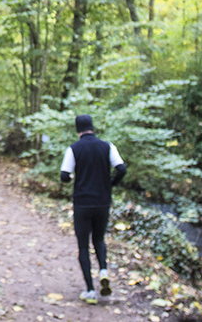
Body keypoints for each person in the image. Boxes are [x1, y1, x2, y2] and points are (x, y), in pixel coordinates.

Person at [60, 114, 126, 305]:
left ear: (78, 130)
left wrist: (73, 179)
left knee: (83, 245)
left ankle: (90, 290)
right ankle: (103, 270)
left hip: (82, 203)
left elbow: (64, 175)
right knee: (99, 239)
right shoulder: (108, 146)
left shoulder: (73, 149)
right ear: (92, 127)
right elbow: (122, 169)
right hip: (103, 202)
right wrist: (110, 184)